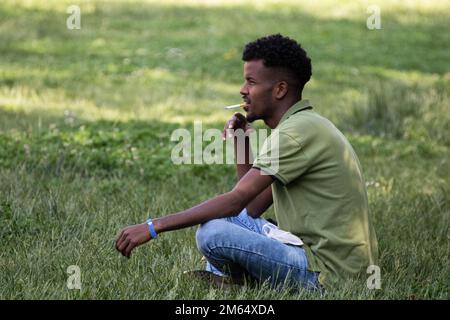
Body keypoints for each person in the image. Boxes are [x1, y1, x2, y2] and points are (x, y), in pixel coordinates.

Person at [115, 34, 378, 291]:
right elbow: (251, 208)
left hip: (328, 274)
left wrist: (154, 226)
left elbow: (236, 200)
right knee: (228, 221)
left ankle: (243, 280)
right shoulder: (302, 125)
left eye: (251, 82)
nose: (243, 90)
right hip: (315, 256)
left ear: (280, 89)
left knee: (213, 232)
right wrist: (241, 141)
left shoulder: (295, 134)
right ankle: (241, 280)